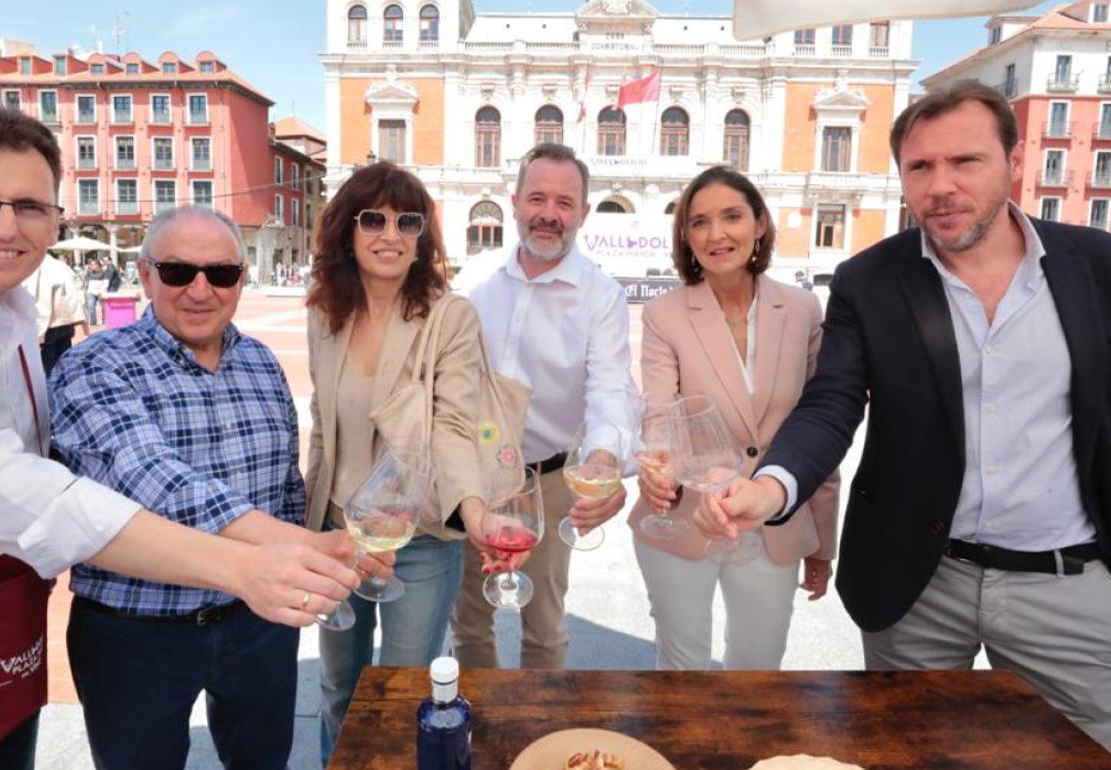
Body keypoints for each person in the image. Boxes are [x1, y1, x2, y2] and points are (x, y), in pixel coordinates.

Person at [0, 103, 364, 770]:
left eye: (29, 206)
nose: (5, 226)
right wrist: (273, 557)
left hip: (12, 626)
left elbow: (280, 481)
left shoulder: (11, 310)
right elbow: (110, 482)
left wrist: (301, 548)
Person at [696, 80, 1111, 748]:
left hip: (1069, 587)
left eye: (964, 161)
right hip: (920, 584)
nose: (940, 185)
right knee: (909, 753)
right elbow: (832, 404)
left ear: (1013, 159)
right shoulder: (868, 279)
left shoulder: (1096, 265)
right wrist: (770, 488)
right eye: (920, 167)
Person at [47, 206, 319, 769]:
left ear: (241, 281)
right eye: (177, 272)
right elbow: (152, 476)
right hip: (135, 631)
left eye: (220, 274)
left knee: (264, 760)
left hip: (255, 623)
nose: (201, 289)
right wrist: (293, 550)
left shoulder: (262, 363)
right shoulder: (95, 363)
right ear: (146, 276)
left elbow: (285, 485)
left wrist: (312, 550)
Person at [305, 161, 493, 764]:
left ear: (423, 237)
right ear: (346, 230)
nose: (391, 233)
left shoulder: (449, 316)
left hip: (420, 537)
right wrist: (309, 528)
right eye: (373, 218)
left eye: (407, 221)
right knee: (340, 685)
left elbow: (455, 425)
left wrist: (477, 513)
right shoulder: (324, 313)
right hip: (338, 533)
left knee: (402, 687)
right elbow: (321, 425)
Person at [629, 166, 839, 671]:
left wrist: (822, 541)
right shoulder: (665, 314)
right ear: (686, 236)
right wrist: (658, 469)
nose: (716, 234)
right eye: (699, 222)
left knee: (758, 668)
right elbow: (660, 414)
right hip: (684, 517)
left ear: (760, 224)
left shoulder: (804, 309)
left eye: (732, 217)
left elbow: (821, 426)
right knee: (682, 666)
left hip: (773, 522)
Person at [451, 143, 638, 670]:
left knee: (545, 622)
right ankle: (476, 727)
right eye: (537, 198)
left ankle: (542, 737)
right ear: (513, 202)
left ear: (582, 212)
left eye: (563, 202)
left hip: (549, 480)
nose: (549, 214)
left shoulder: (601, 295)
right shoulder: (475, 278)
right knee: (467, 619)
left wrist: (603, 457)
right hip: (473, 477)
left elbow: (609, 389)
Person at [21, 252, 88, 374]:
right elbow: (78, 290)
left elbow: (32, 293)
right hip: (65, 321)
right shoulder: (60, 266)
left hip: (48, 324)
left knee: (48, 366)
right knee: (63, 362)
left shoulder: (36, 265)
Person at [83, 257, 107, 326]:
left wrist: (101, 291)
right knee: (91, 307)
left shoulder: (104, 272)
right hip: (91, 292)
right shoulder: (89, 272)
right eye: (90, 264)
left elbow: (106, 283)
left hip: (101, 292)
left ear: (97, 265)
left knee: (104, 307)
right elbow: (86, 282)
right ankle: (93, 322)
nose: (91, 266)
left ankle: (104, 321)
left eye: (92, 264)